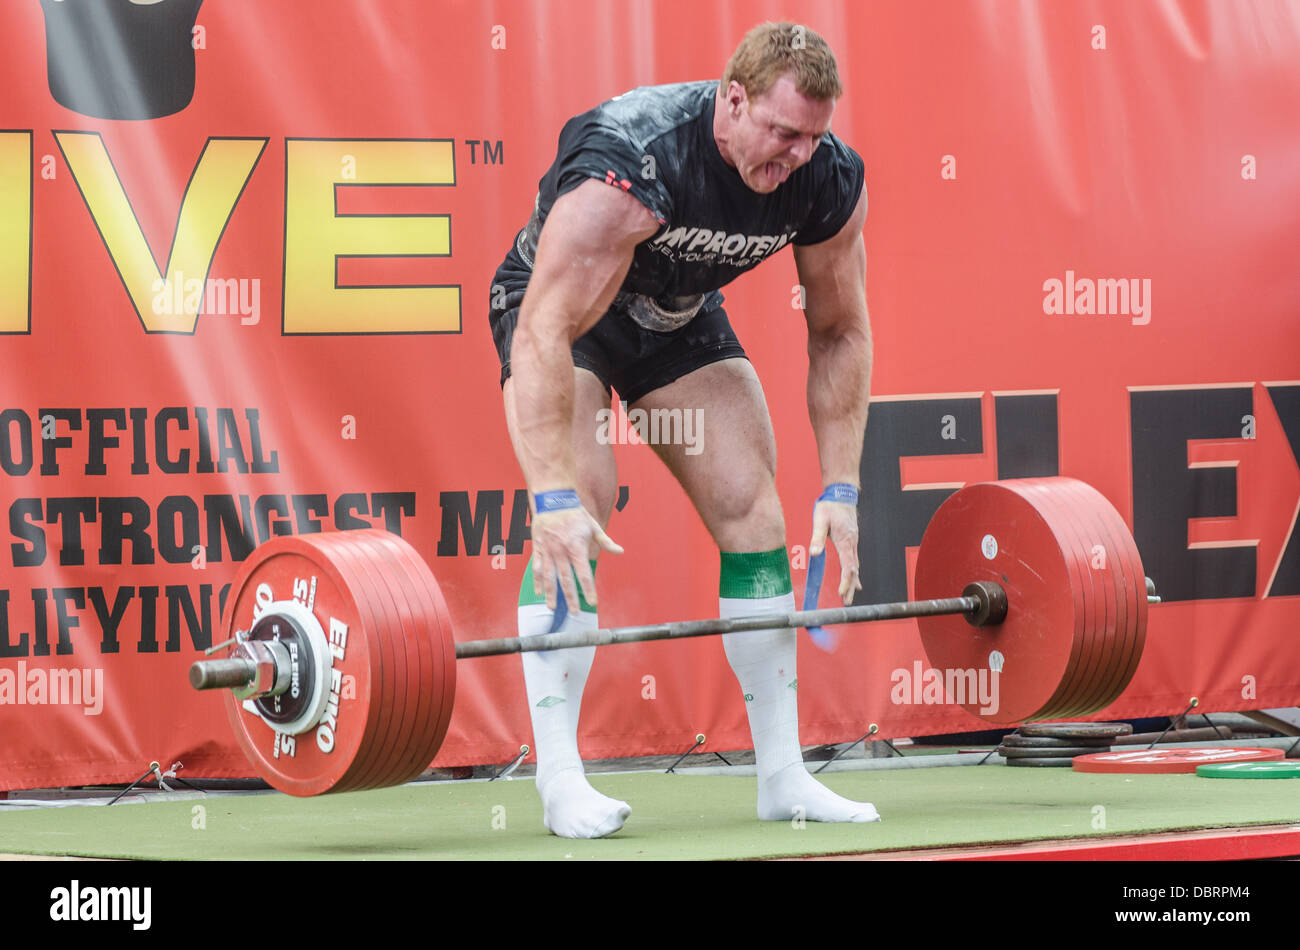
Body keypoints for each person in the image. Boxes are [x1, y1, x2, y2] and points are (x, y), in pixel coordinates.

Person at [489, 21, 875, 838]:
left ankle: (782, 778)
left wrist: (841, 489)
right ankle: (560, 781)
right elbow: (542, 330)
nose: (796, 156)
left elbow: (839, 330)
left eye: (813, 137)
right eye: (780, 133)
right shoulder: (632, 157)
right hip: (567, 320)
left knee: (755, 510)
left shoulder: (825, 180)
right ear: (732, 101)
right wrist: (550, 492)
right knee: (585, 501)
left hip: (675, 318)